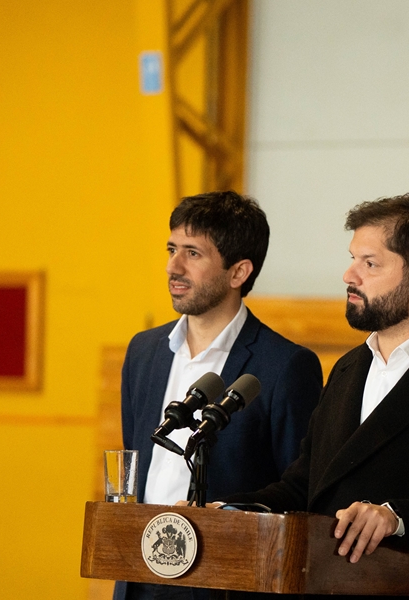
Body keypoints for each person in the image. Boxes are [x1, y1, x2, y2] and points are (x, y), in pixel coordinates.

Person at [221, 193, 409, 600]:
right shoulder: (348, 369)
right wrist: (229, 513)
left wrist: (396, 519)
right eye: (353, 259)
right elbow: (303, 488)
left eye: (370, 263)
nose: (349, 275)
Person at [116, 191, 324, 600]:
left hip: (229, 584)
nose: (172, 266)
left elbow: (298, 494)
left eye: (192, 253)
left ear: (238, 272)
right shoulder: (143, 351)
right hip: (138, 576)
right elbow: (135, 456)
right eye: (172, 249)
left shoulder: (285, 366)